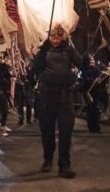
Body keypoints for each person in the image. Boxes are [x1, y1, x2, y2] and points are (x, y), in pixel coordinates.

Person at [31, 24, 81, 178]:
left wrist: (76, 72)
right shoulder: (45, 50)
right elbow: (35, 68)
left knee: (66, 132)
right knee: (47, 131)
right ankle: (48, 159)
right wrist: (42, 51)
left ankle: (64, 165)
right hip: (47, 96)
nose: (55, 39)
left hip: (65, 96)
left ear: (63, 36)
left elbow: (80, 64)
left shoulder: (69, 50)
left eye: (58, 35)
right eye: (52, 35)